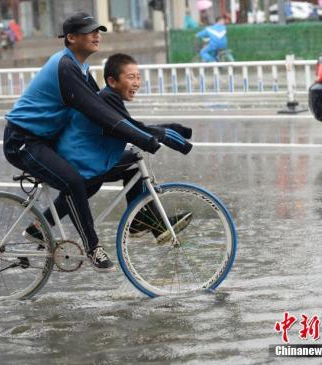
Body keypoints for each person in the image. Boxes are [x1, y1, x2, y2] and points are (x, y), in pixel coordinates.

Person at [3, 13, 161, 271]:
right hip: (23, 141)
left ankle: (40, 229)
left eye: (97, 30)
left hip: (49, 139)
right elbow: (96, 113)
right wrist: (140, 135)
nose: (96, 34)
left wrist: (144, 131)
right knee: (74, 181)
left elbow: (105, 108)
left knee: (114, 167)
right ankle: (92, 248)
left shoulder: (81, 68)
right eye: (89, 31)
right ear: (71, 37)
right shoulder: (65, 67)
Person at [23, 54, 194, 265]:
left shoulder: (108, 97)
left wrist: (165, 129)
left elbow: (130, 125)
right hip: (79, 160)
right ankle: (142, 222)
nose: (137, 82)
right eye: (131, 77)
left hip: (85, 156)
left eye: (138, 77)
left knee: (109, 175)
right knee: (125, 164)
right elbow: (131, 127)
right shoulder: (107, 98)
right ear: (112, 81)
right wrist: (164, 133)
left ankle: (39, 227)